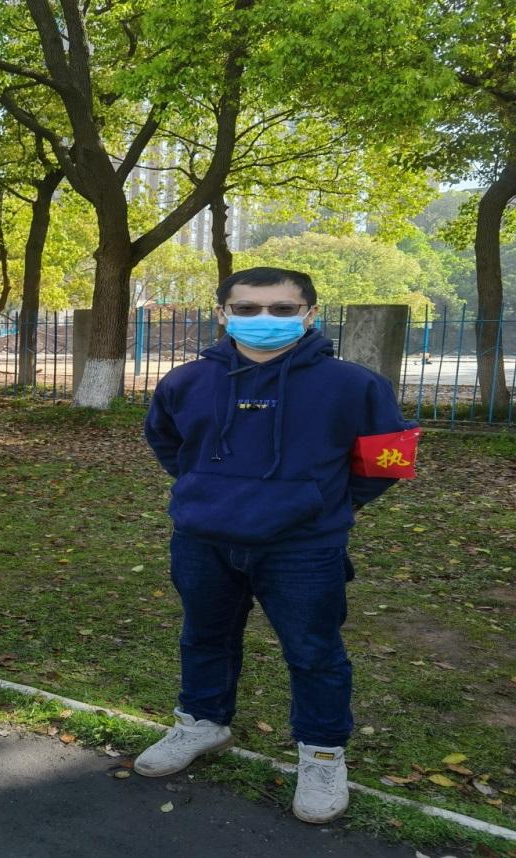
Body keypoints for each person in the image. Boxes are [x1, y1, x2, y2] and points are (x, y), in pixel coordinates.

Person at [138, 267, 420, 823]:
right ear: (222, 314)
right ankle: (201, 723)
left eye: (282, 309)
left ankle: (321, 755)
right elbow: (166, 442)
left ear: (309, 314)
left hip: (303, 548)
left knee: (314, 652)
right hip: (202, 541)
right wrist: (207, 490)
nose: (263, 319)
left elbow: (389, 459)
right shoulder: (185, 381)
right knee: (204, 637)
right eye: (247, 308)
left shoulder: (356, 385)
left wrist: (331, 505)